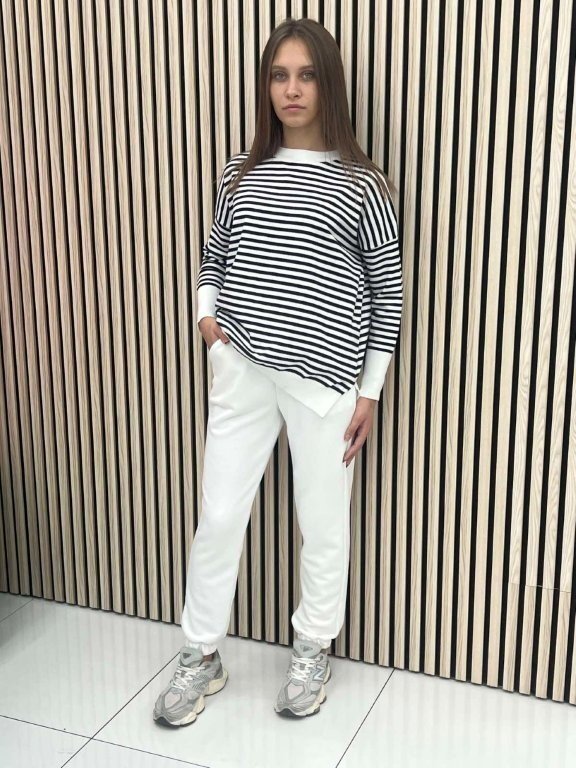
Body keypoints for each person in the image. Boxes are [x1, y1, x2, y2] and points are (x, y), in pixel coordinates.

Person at [153, 17, 402, 726]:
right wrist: (208, 321)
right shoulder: (240, 170)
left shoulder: (363, 183)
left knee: (321, 521)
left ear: (329, 85)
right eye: (279, 75)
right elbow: (214, 254)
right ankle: (201, 653)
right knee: (219, 514)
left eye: (306, 75)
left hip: (329, 382)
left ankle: (312, 648)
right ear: (266, 86)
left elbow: (387, 293)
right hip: (241, 369)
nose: (291, 89)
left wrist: (371, 391)